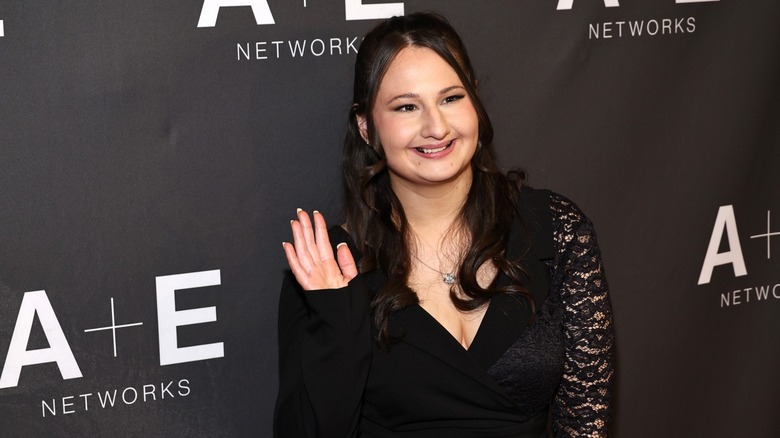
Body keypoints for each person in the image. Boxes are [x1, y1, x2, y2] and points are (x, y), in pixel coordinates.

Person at [275, 12, 614, 438]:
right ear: (365, 126)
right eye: (406, 107)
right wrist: (335, 317)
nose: (436, 127)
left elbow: (585, 419)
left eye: (451, 98)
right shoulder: (330, 267)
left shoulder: (556, 229)